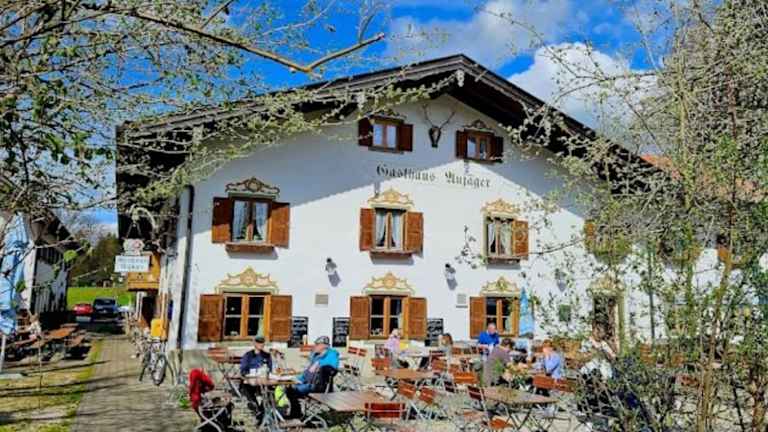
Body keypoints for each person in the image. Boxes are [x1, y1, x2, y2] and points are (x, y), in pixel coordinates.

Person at [286, 336, 339, 419]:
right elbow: (308, 372)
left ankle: (296, 415)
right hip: (309, 383)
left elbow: (332, 369)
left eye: (317, 344)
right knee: (289, 388)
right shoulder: (316, 356)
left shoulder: (332, 354)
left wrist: (319, 365)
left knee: (293, 391)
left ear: (324, 346)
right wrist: (297, 379)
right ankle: (296, 414)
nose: (315, 346)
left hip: (318, 386)